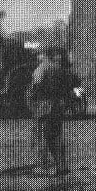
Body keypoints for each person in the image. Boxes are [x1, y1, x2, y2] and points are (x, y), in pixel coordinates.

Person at [27, 47, 71, 175]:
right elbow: (67, 87)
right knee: (57, 136)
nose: (37, 57)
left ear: (44, 55)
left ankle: (45, 167)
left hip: (44, 107)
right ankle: (61, 166)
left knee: (42, 137)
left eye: (38, 55)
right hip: (57, 106)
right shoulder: (59, 69)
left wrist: (33, 100)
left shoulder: (41, 69)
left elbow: (36, 87)